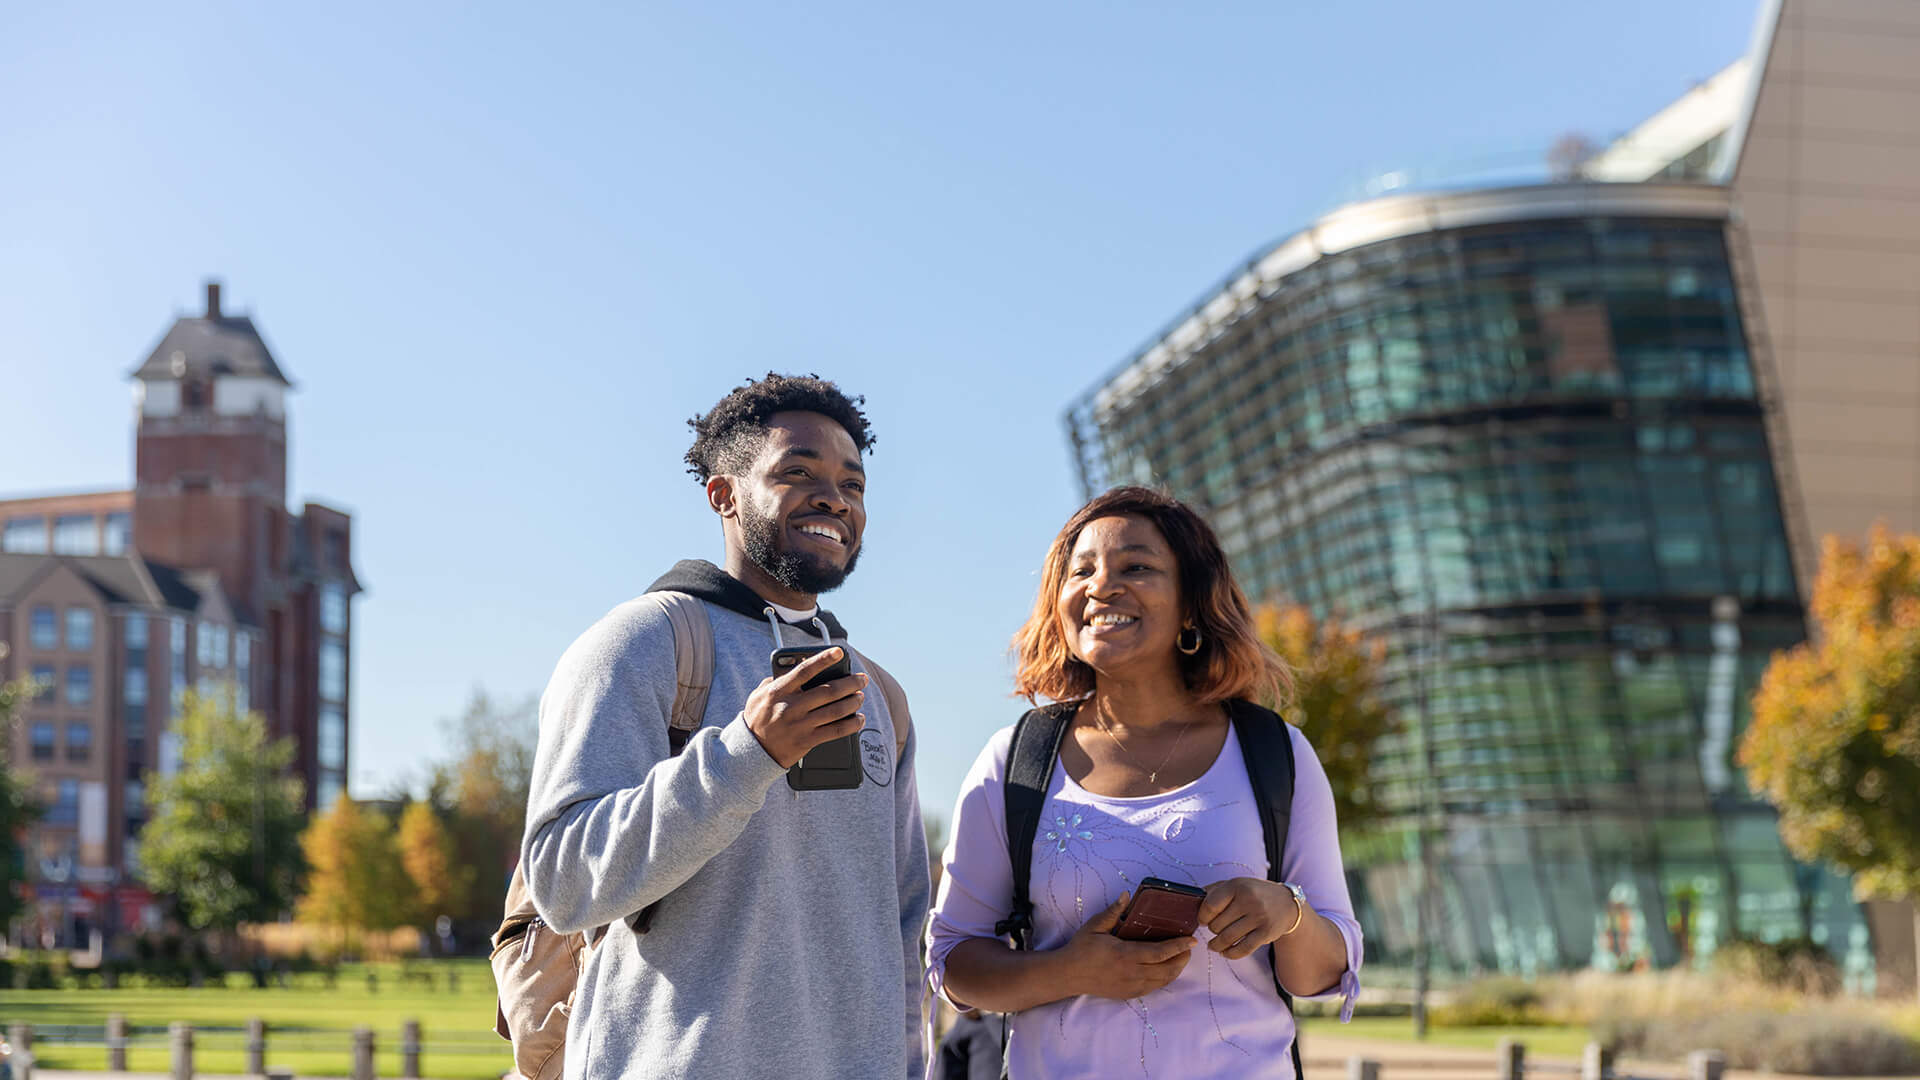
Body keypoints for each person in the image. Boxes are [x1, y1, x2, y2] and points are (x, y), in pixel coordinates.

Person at [520, 373, 928, 1080]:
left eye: (852, 485)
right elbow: (560, 882)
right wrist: (747, 753)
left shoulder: (880, 695)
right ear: (723, 495)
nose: (833, 497)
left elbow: (902, 933)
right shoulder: (644, 643)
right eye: (797, 473)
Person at [926, 486, 1362, 1079]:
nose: (1102, 585)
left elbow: (1322, 975)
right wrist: (1072, 971)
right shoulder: (1014, 762)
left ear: (1191, 605)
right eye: (1082, 571)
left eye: (1137, 566)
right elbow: (952, 965)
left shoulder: (1277, 752)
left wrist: (1287, 913)